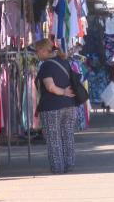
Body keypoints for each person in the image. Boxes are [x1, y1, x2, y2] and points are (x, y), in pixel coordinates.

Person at [35, 39, 77, 174]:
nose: (37, 54)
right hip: (69, 104)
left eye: (37, 51)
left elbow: (50, 87)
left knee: (54, 138)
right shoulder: (64, 62)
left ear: (43, 50)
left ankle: (57, 167)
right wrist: (66, 93)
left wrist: (62, 92)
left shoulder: (46, 66)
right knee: (68, 135)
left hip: (52, 106)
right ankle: (69, 164)